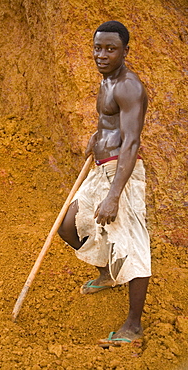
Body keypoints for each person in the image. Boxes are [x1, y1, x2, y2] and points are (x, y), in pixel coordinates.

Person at [58, 20, 151, 348]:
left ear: (126, 51)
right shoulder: (107, 80)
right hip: (101, 166)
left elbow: (131, 142)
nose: (102, 54)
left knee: (133, 247)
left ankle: (133, 326)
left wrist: (114, 196)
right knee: (67, 226)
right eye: (98, 47)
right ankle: (108, 273)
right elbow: (110, 124)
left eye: (110, 49)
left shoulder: (129, 86)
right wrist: (97, 137)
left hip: (122, 174)